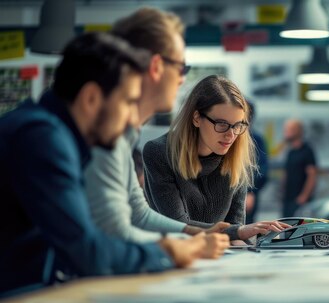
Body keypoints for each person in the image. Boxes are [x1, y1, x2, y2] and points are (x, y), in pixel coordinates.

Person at [0, 32, 229, 296]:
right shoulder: (42, 138)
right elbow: (88, 251)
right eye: (129, 102)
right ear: (91, 99)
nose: (133, 117)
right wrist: (166, 251)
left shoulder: (46, 131)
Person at [84, 8, 227, 243]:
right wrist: (176, 249)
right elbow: (112, 232)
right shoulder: (100, 131)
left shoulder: (124, 133)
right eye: (181, 68)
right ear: (156, 66)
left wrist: (196, 234)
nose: (182, 79)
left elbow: (138, 213)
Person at [143, 75, 290, 243]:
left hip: (218, 256)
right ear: (197, 118)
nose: (231, 135)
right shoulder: (159, 152)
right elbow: (178, 225)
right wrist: (239, 232)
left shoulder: (236, 155)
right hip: (173, 254)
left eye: (238, 125)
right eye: (221, 124)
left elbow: (235, 229)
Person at [281, 119, 318, 218]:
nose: (286, 132)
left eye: (289, 129)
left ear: (297, 131)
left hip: (301, 199)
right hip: (288, 198)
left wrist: (304, 196)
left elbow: (312, 175)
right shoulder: (290, 152)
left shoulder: (307, 150)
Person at [245, 100, 269, 224]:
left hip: (247, 196)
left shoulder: (257, 140)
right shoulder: (228, 136)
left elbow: (262, 170)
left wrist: (250, 192)